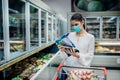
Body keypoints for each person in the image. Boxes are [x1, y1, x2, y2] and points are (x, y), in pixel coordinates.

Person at [58, 13, 95, 80]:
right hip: (67, 69)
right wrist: (62, 50)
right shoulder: (69, 35)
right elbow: (65, 56)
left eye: (76, 24)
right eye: (72, 25)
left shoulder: (90, 37)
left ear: (82, 22)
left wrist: (78, 55)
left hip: (81, 72)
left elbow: (90, 55)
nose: (74, 27)